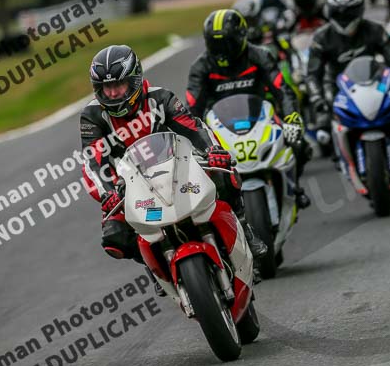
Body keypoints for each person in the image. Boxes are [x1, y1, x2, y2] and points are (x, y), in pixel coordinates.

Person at [80, 44, 268, 292]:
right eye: (106, 88)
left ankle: (244, 227)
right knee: (115, 236)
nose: (113, 93)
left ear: (135, 80)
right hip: (128, 183)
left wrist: (213, 150)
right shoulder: (92, 116)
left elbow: (192, 125)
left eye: (119, 85)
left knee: (225, 175)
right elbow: (92, 159)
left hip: (176, 165)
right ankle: (154, 265)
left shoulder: (160, 97)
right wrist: (107, 193)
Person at [186, 9, 311, 208]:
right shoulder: (200, 67)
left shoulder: (260, 55)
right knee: (200, 163)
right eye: (215, 44)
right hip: (218, 124)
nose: (222, 50)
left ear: (242, 36)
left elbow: (283, 90)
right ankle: (220, 201)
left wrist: (291, 117)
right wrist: (194, 140)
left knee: (300, 143)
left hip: (261, 115)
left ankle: (294, 188)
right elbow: (192, 108)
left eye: (227, 43)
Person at [305, 0, 390, 163]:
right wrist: (316, 98)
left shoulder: (375, 30)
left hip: (373, 80)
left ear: (359, 11)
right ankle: (338, 150)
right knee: (323, 119)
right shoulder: (321, 38)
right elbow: (313, 73)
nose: (344, 18)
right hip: (336, 85)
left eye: (349, 13)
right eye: (338, 13)